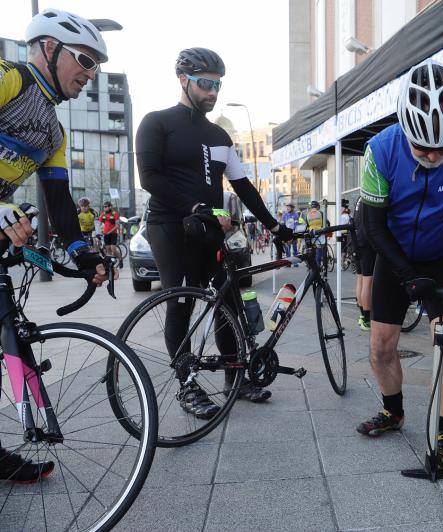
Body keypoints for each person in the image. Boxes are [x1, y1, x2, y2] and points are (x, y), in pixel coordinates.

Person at [136, 47, 293, 418]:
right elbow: (150, 178)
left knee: (227, 303)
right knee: (180, 303)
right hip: (169, 225)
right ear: (183, 80)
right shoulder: (156, 122)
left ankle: (233, 379)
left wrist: (273, 225)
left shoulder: (220, 135)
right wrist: (193, 207)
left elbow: (244, 187)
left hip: (208, 228)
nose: (212, 92)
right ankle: (188, 387)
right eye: (206, 84)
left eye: (217, 85)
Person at [357, 59, 443, 469]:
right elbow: (373, 225)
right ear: (404, 129)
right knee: (381, 345)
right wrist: (405, 275)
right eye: (423, 148)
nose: (434, 156)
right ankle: (393, 411)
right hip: (394, 255)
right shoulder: (380, 149)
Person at [0, 8, 114, 482]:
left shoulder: (55, 131)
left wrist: (83, 252)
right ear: (49, 48)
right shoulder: (10, 79)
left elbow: (60, 201)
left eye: (96, 67)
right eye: (85, 60)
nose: (90, 74)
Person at [352, 197, 376, 330]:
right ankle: (366, 319)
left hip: (357, 241)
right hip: (367, 243)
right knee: (368, 281)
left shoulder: (359, 198)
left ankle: (362, 316)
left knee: (360, 279)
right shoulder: (369, 198)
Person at [99, 200, 122, 266]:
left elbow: (117, 226)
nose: (105, 208)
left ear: (110, 207)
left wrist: (109, 232)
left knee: (113, 249)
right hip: (106, 234)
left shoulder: (115, 214)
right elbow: (100, 223)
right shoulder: (103, 214)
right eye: (104, 207)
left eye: (106, 207)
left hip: (113, 234)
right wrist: (101, 231)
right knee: (108, 250)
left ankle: (120, 259)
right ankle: (112, 262)